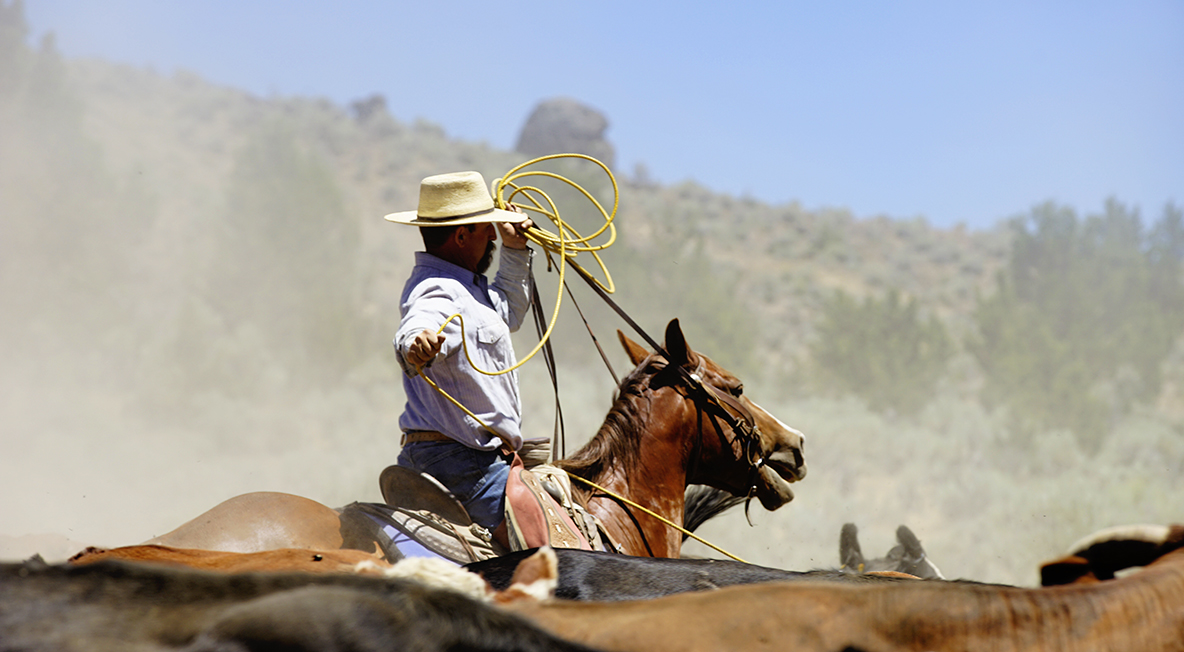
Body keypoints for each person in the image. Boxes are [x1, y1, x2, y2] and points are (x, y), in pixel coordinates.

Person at [384, 170, 534, 539]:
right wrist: (416, 343)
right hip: (463, 465)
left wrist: (515, 252)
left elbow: (508, 312)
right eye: (488, 230)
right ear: (462, 235)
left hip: (460, 458)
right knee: (559, 553)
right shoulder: (436, 288)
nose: (493, 239)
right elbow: (419, 321)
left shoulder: (467, 290)